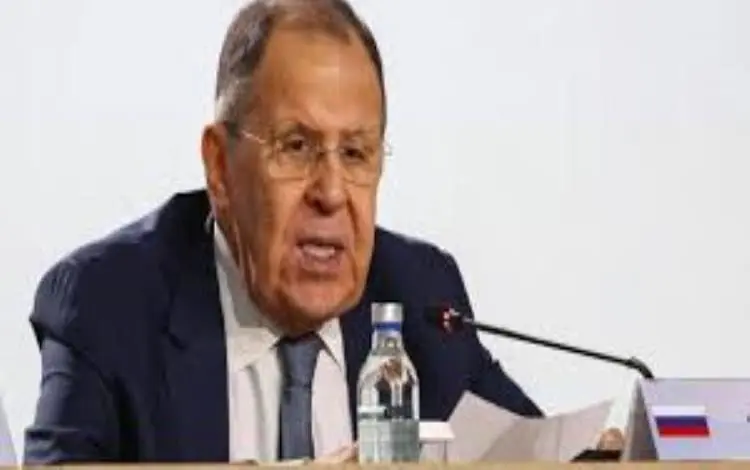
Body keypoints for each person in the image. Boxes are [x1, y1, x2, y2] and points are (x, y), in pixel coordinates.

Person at [24, 0, 545, 464]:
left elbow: (545, 453)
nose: (332, 193)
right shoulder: (108, 305)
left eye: (355, 153)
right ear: (220, 168)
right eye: (296, 147)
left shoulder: (421, 299)